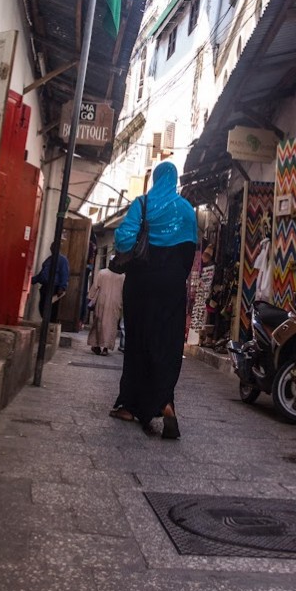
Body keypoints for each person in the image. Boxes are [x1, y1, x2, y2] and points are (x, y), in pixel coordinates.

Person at [109, 160, 197, 439]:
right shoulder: (186, 209)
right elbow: (189, 252)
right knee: (167, 343)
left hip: (141, 283)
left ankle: (130, 406)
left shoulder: (143, 203)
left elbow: (123, 239)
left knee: (138, 342)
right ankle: (165, 402)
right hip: (172, 284)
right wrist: (175, 276)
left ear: (156, 178)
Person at [87, 262, 125, 356]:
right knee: (111, 325)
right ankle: (105, 348)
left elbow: (95, 286)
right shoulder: (123, 277)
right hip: (116, 303)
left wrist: (90, 297)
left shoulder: (102, 272)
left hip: (102, 301)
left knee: (99, 323)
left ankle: (96, 345)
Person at [30, 243, 69, 322]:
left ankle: (50, 325)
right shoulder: (49, 260)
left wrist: (62, 287)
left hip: (54, 288)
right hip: (45, 287)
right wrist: (32, 280)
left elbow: (64, 274)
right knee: (42, 306)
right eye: (51, 247)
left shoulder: (62, 260)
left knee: (51, 309)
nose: (52, 249)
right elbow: (42, 274)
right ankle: (46, 323)